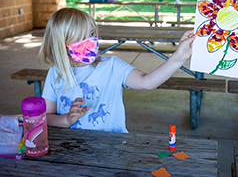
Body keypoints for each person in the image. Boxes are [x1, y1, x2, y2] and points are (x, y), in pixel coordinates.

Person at [38, 8, 195, 133]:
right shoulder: (55, 74)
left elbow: (146, 82)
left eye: (92, 34)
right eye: (82, 38)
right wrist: (66, 119)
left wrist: (178, 58)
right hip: (71, 148)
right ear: (61, 45)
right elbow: (47, 117)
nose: (92, 41)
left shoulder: (111, 65)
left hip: (113, 146)